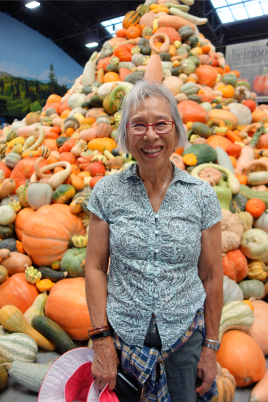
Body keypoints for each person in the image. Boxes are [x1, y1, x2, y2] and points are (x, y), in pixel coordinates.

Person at [85, 80, 223, 402]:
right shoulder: (107, 192)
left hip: (184, 340)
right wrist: (101, 340)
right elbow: (93, 267)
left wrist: (211, 348)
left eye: (161, 123)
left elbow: (213, 277)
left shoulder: (201, 195)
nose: (150, 135)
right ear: (125, 133)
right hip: (122, 343)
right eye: (138, 125)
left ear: (176, 131)